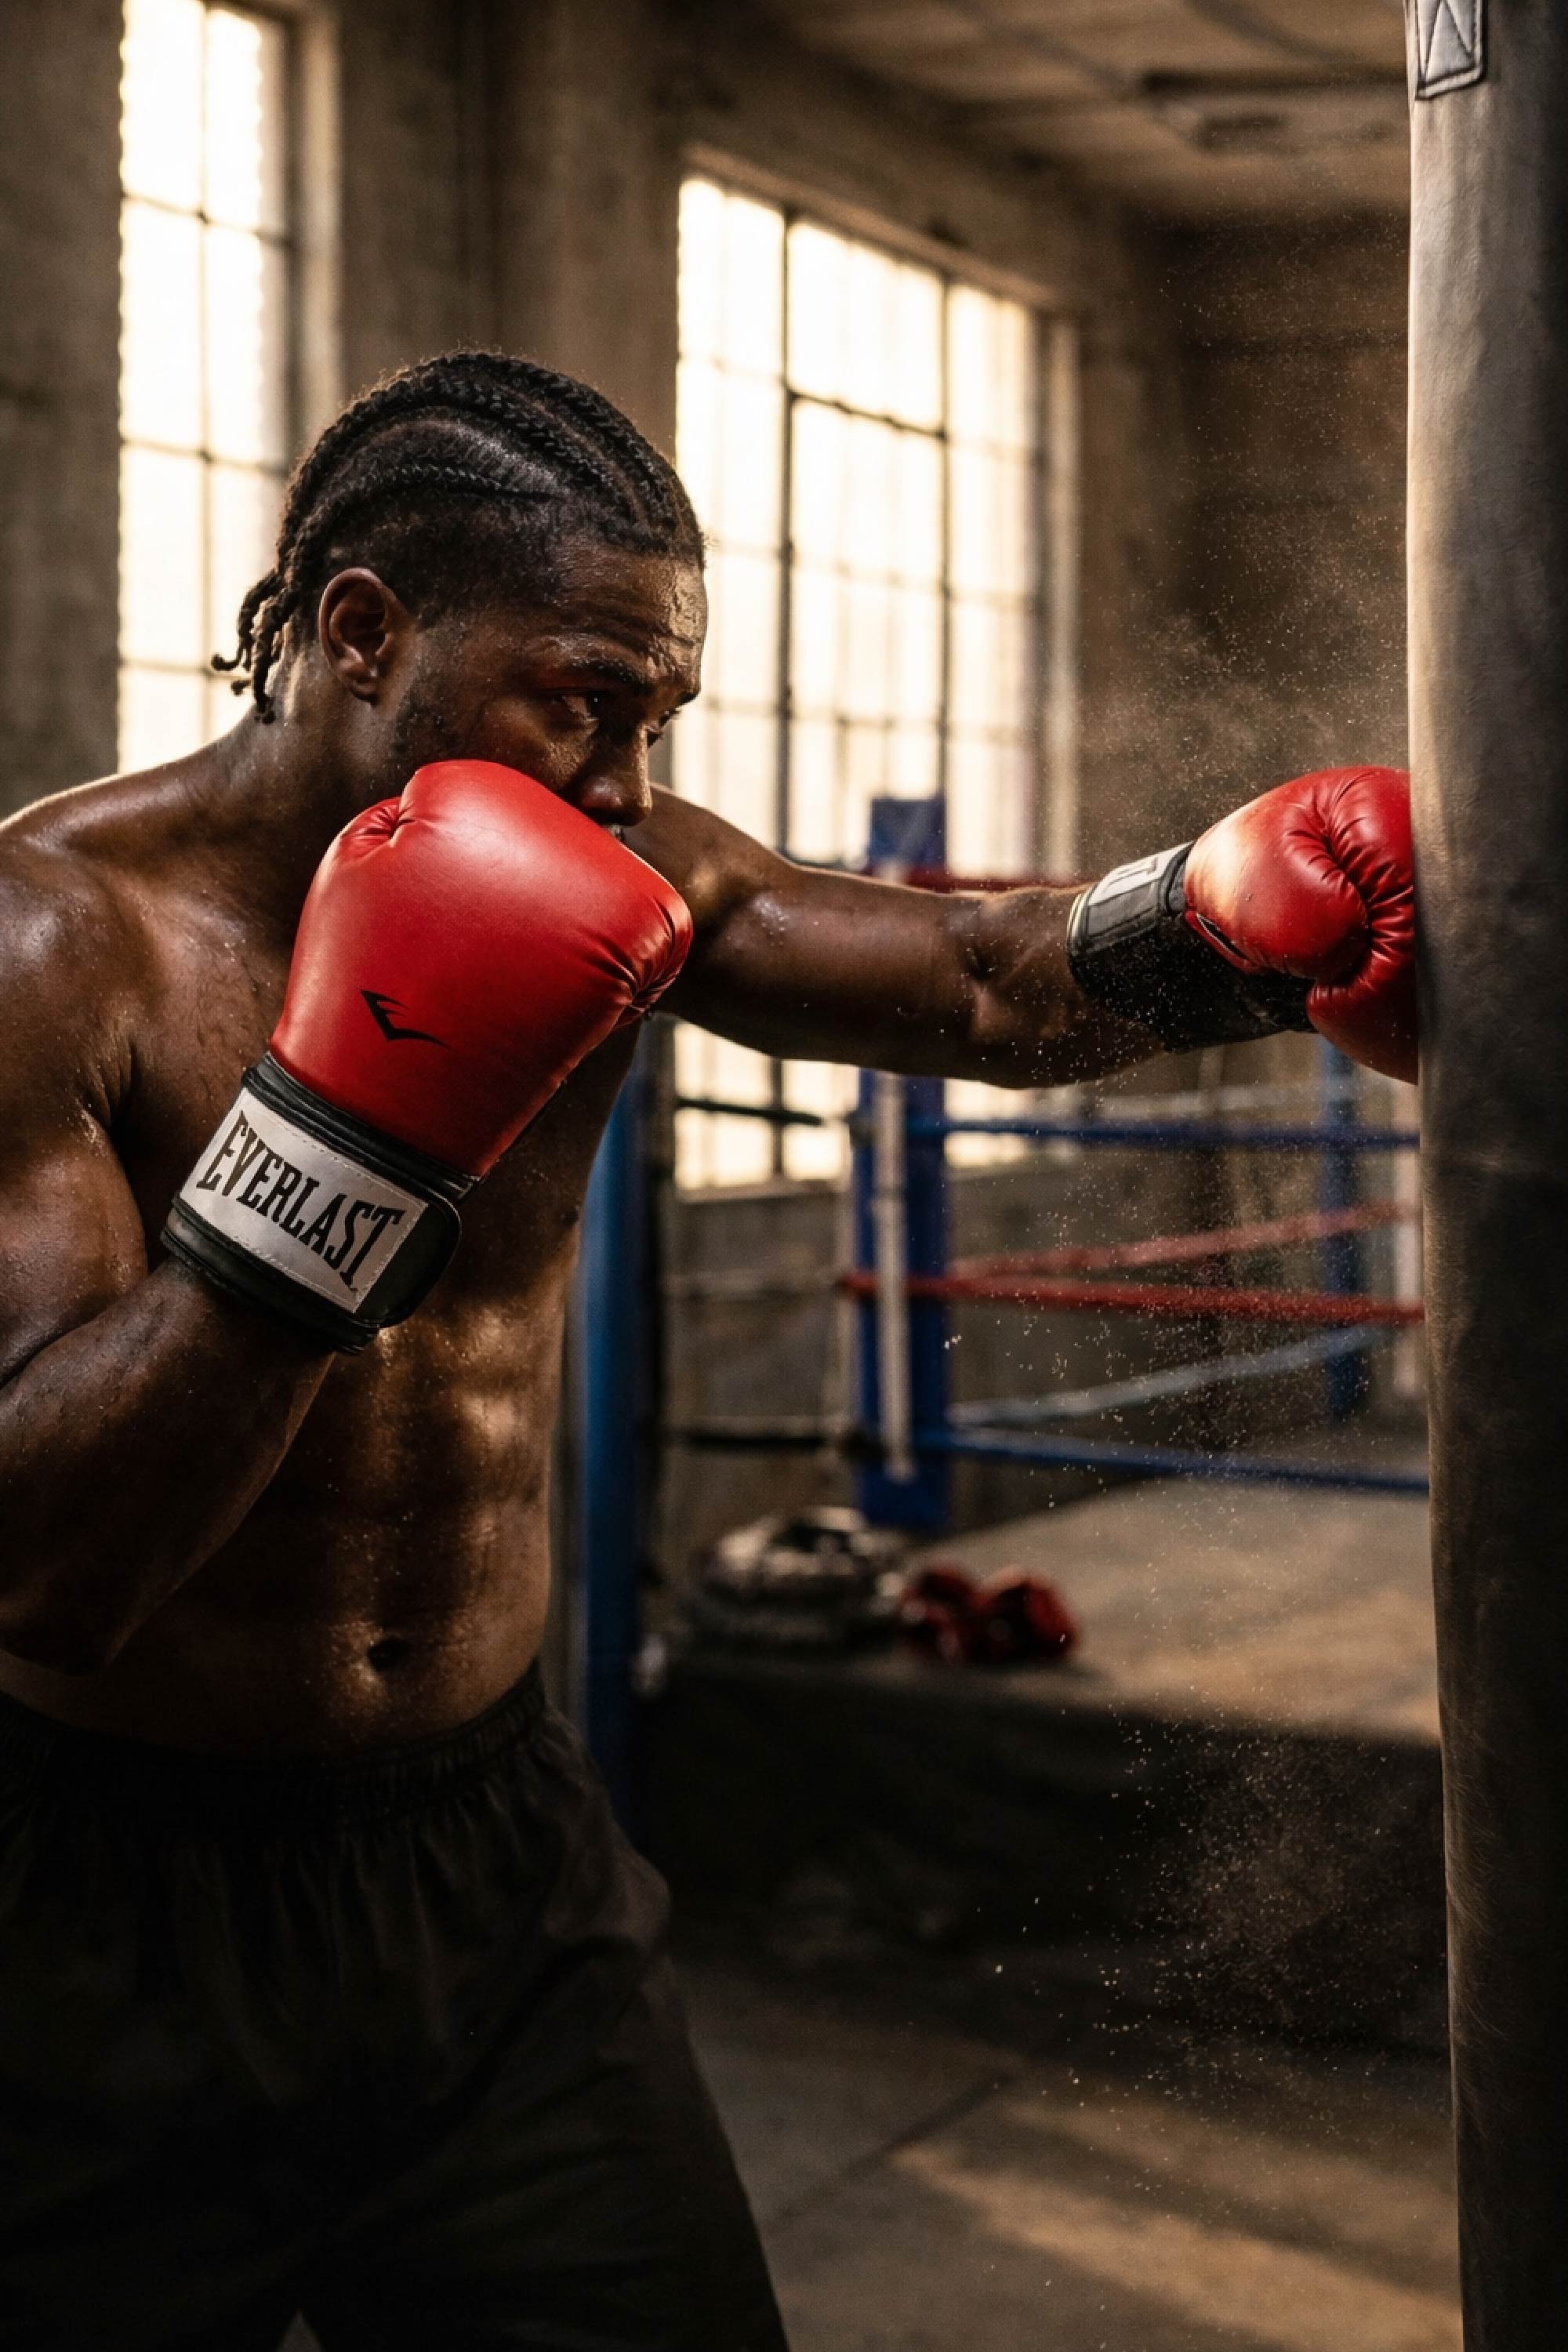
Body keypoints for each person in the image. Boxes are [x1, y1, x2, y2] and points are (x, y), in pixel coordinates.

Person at [0, 351, 1415, 2352]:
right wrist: (342, 1147)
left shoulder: (627, 868)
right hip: (92, 1912)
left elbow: (980, 981)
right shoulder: (52, 943)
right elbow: (52, 1568)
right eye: (581, 699)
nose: (626, 788)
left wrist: (1214, 922)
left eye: (658, 716)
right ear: (358, 630)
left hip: (494, 1879)